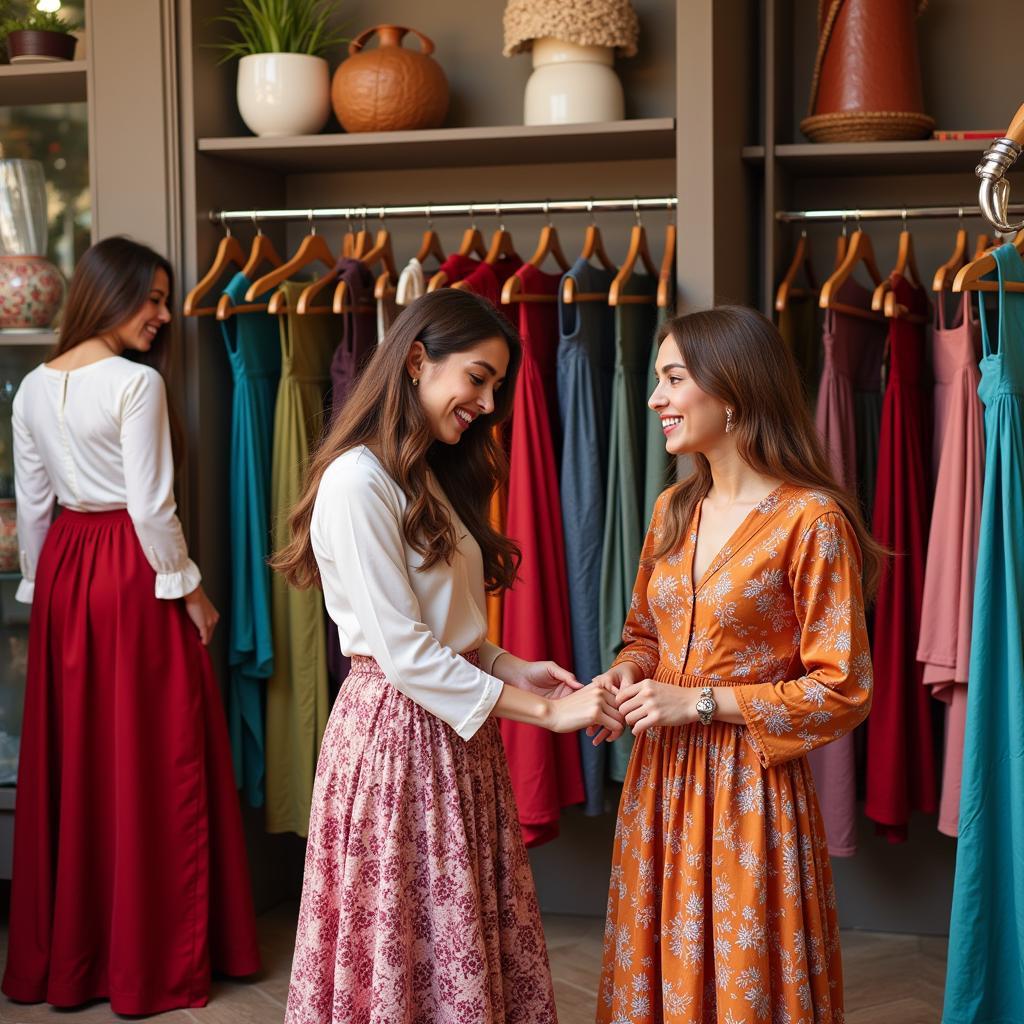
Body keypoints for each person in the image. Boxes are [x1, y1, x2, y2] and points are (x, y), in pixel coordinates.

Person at [273, 288, 623, 1024]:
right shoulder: (356, 481)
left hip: (453, 735)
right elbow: (402, 654)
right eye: (478, 378)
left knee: (454, 936)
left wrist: (507, 663)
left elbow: (442, 626)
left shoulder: (425, 472)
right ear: (416, 360)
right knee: (407, 943)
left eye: (497, 386)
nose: (488, 403)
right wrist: (550, 714)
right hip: (396, 742)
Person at [593, 306, 881, 1023]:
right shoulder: (671, 510)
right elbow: (642, 634)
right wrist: (630, 672)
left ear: (734, 390)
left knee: (745, 977)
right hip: (658, 784)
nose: (655, 398)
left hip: (751, 793)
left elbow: (844, 688)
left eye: (673, 379)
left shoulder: (809, 521)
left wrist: (699, 703)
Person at [2, 237, 260, 1016]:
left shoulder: (31, 389)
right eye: (149, 298)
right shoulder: (137, 385)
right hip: (133, 570)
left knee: (78, 759)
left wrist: (45, 598)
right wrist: (192, 593)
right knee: (158, 754)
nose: (161, 314)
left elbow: (36, 510)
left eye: (163, 298)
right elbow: (151, 508)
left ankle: (75, 958)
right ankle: (154, 957)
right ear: (106, 294)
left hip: (67, 576)